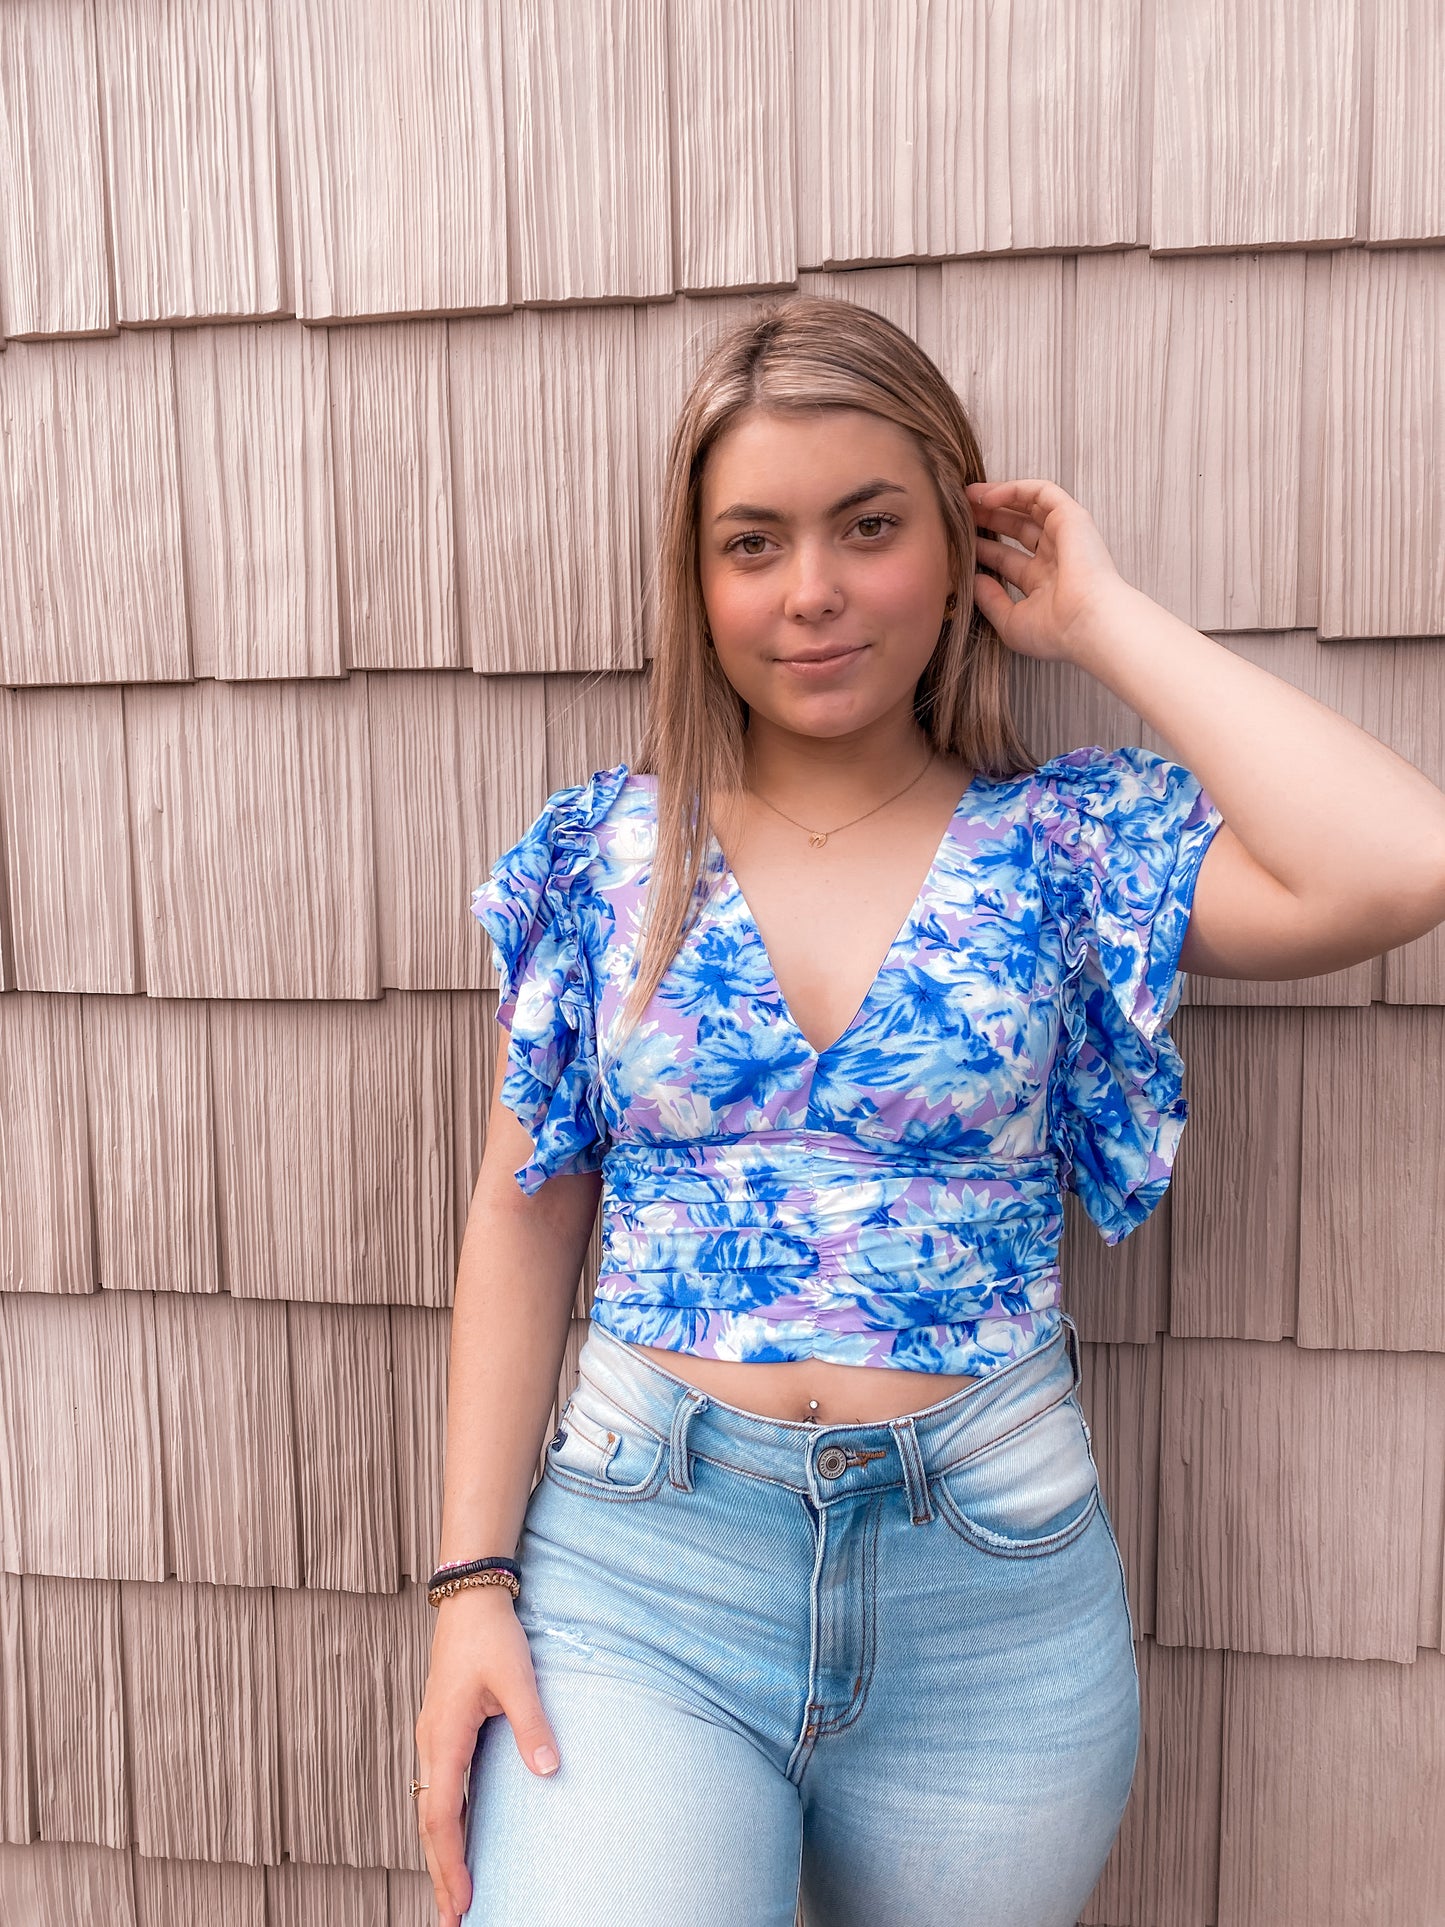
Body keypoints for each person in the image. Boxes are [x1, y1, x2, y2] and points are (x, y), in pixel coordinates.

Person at [412, 296, 1445, 1927]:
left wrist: (1100, 620)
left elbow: (1400, 863)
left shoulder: (1065, 847)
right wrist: (469, 1584)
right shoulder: (603, 856)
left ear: (954, 544)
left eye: (868, 526)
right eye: (752, 541)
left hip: (992, 1589)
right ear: (696, 580)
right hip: (643, 1575)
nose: (810, 590)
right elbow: (522, 1205)